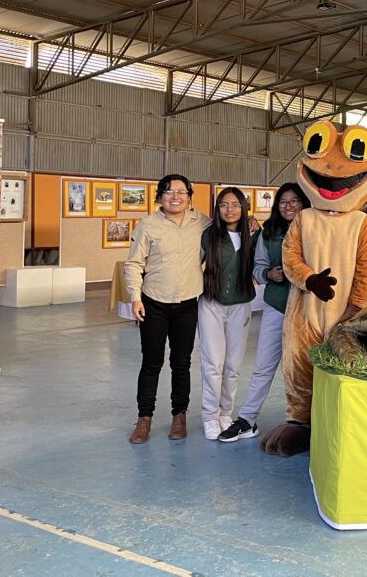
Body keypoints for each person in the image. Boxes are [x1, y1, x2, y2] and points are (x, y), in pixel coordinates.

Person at [219, 184, 310, 443]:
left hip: (309, 309)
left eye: (294, 201)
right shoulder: (268, 234)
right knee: (264, 365)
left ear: (304, 203)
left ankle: (310, 421)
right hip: (277, 305)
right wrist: (268, 275)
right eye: (283, 201)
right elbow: (257, 268)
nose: (289, 206)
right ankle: (247, 419)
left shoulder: (315, 229)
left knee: (307, 368)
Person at [124, 174, 211, 443]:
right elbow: (134, 264)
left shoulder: (203, 223)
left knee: (181, 363)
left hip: (187, 304)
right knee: (151, 363)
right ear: (160, 196)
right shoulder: (148, 225)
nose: (176, 197)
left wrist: (251, 222)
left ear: (189, 196)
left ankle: (179, 416)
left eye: (182, 192)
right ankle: (144, 419)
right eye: (169, 192)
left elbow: (230, 225)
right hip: (154, 303)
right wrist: (135, 297)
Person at [196, 187, 258, 440]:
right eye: (224, 204)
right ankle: (210, 416)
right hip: (211, 304)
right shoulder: (208, 235)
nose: (229, 209)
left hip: (240, 305)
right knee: (213, 363)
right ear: (217, 208)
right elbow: (192, 265)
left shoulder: (253, 234)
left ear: (244, 208)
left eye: (235, 204)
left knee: (233, 365)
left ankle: (225, 413)